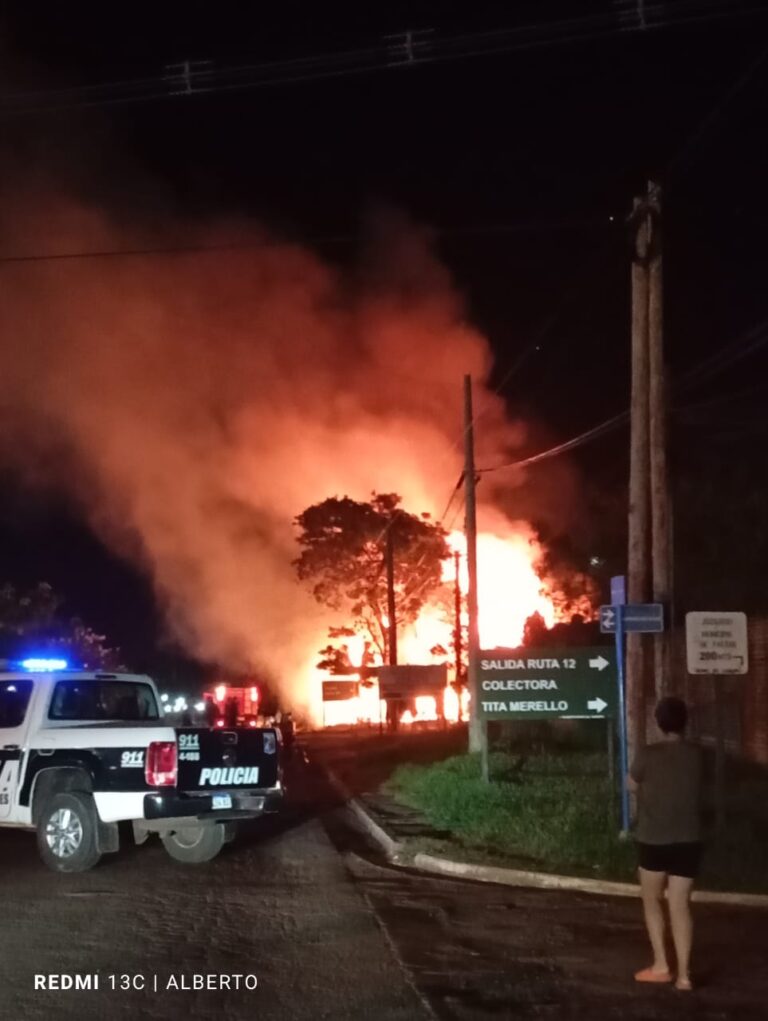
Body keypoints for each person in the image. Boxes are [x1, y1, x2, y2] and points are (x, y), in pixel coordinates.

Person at [629, 696, 703, 992]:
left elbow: (631, 784)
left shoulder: (647, 754)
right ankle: (685, 976)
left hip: (653, 838)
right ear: (685, 722)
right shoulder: (697, 755)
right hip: (689, 839)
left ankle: (661, 965)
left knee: (652, 900)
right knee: (680, 905)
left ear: (658, 723)